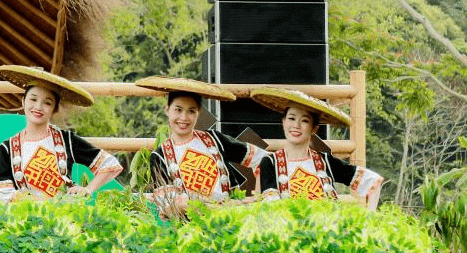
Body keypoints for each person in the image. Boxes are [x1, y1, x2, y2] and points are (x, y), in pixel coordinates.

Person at [0, 65, 122, 203]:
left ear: (54, 109)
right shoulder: (8, 147)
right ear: (23, 101)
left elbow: (110, 165)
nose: (38, 107)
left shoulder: (67, 140)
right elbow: (4, 193)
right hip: (27, 219)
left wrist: (88, 189)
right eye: (33, 99)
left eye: (47, 102)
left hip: (66, 217)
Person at [136, 76, 266, 207]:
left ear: (198, 113)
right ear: (167, 110)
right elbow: (168, 204)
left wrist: (259, 195)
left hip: (229, 218)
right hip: (189, 224)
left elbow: (264, 159)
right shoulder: (160, 156)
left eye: (191, 111)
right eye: (178, 110)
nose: (184, 118)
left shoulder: (214, 139)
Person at [251, 86, 384, 210]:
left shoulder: (325, 161)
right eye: (291, 118)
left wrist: (369, 216)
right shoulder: (270, 162)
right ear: (283, 122)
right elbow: (269, 208)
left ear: (314, 128)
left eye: (304, 121)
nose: (296, 125)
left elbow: (373, 181)